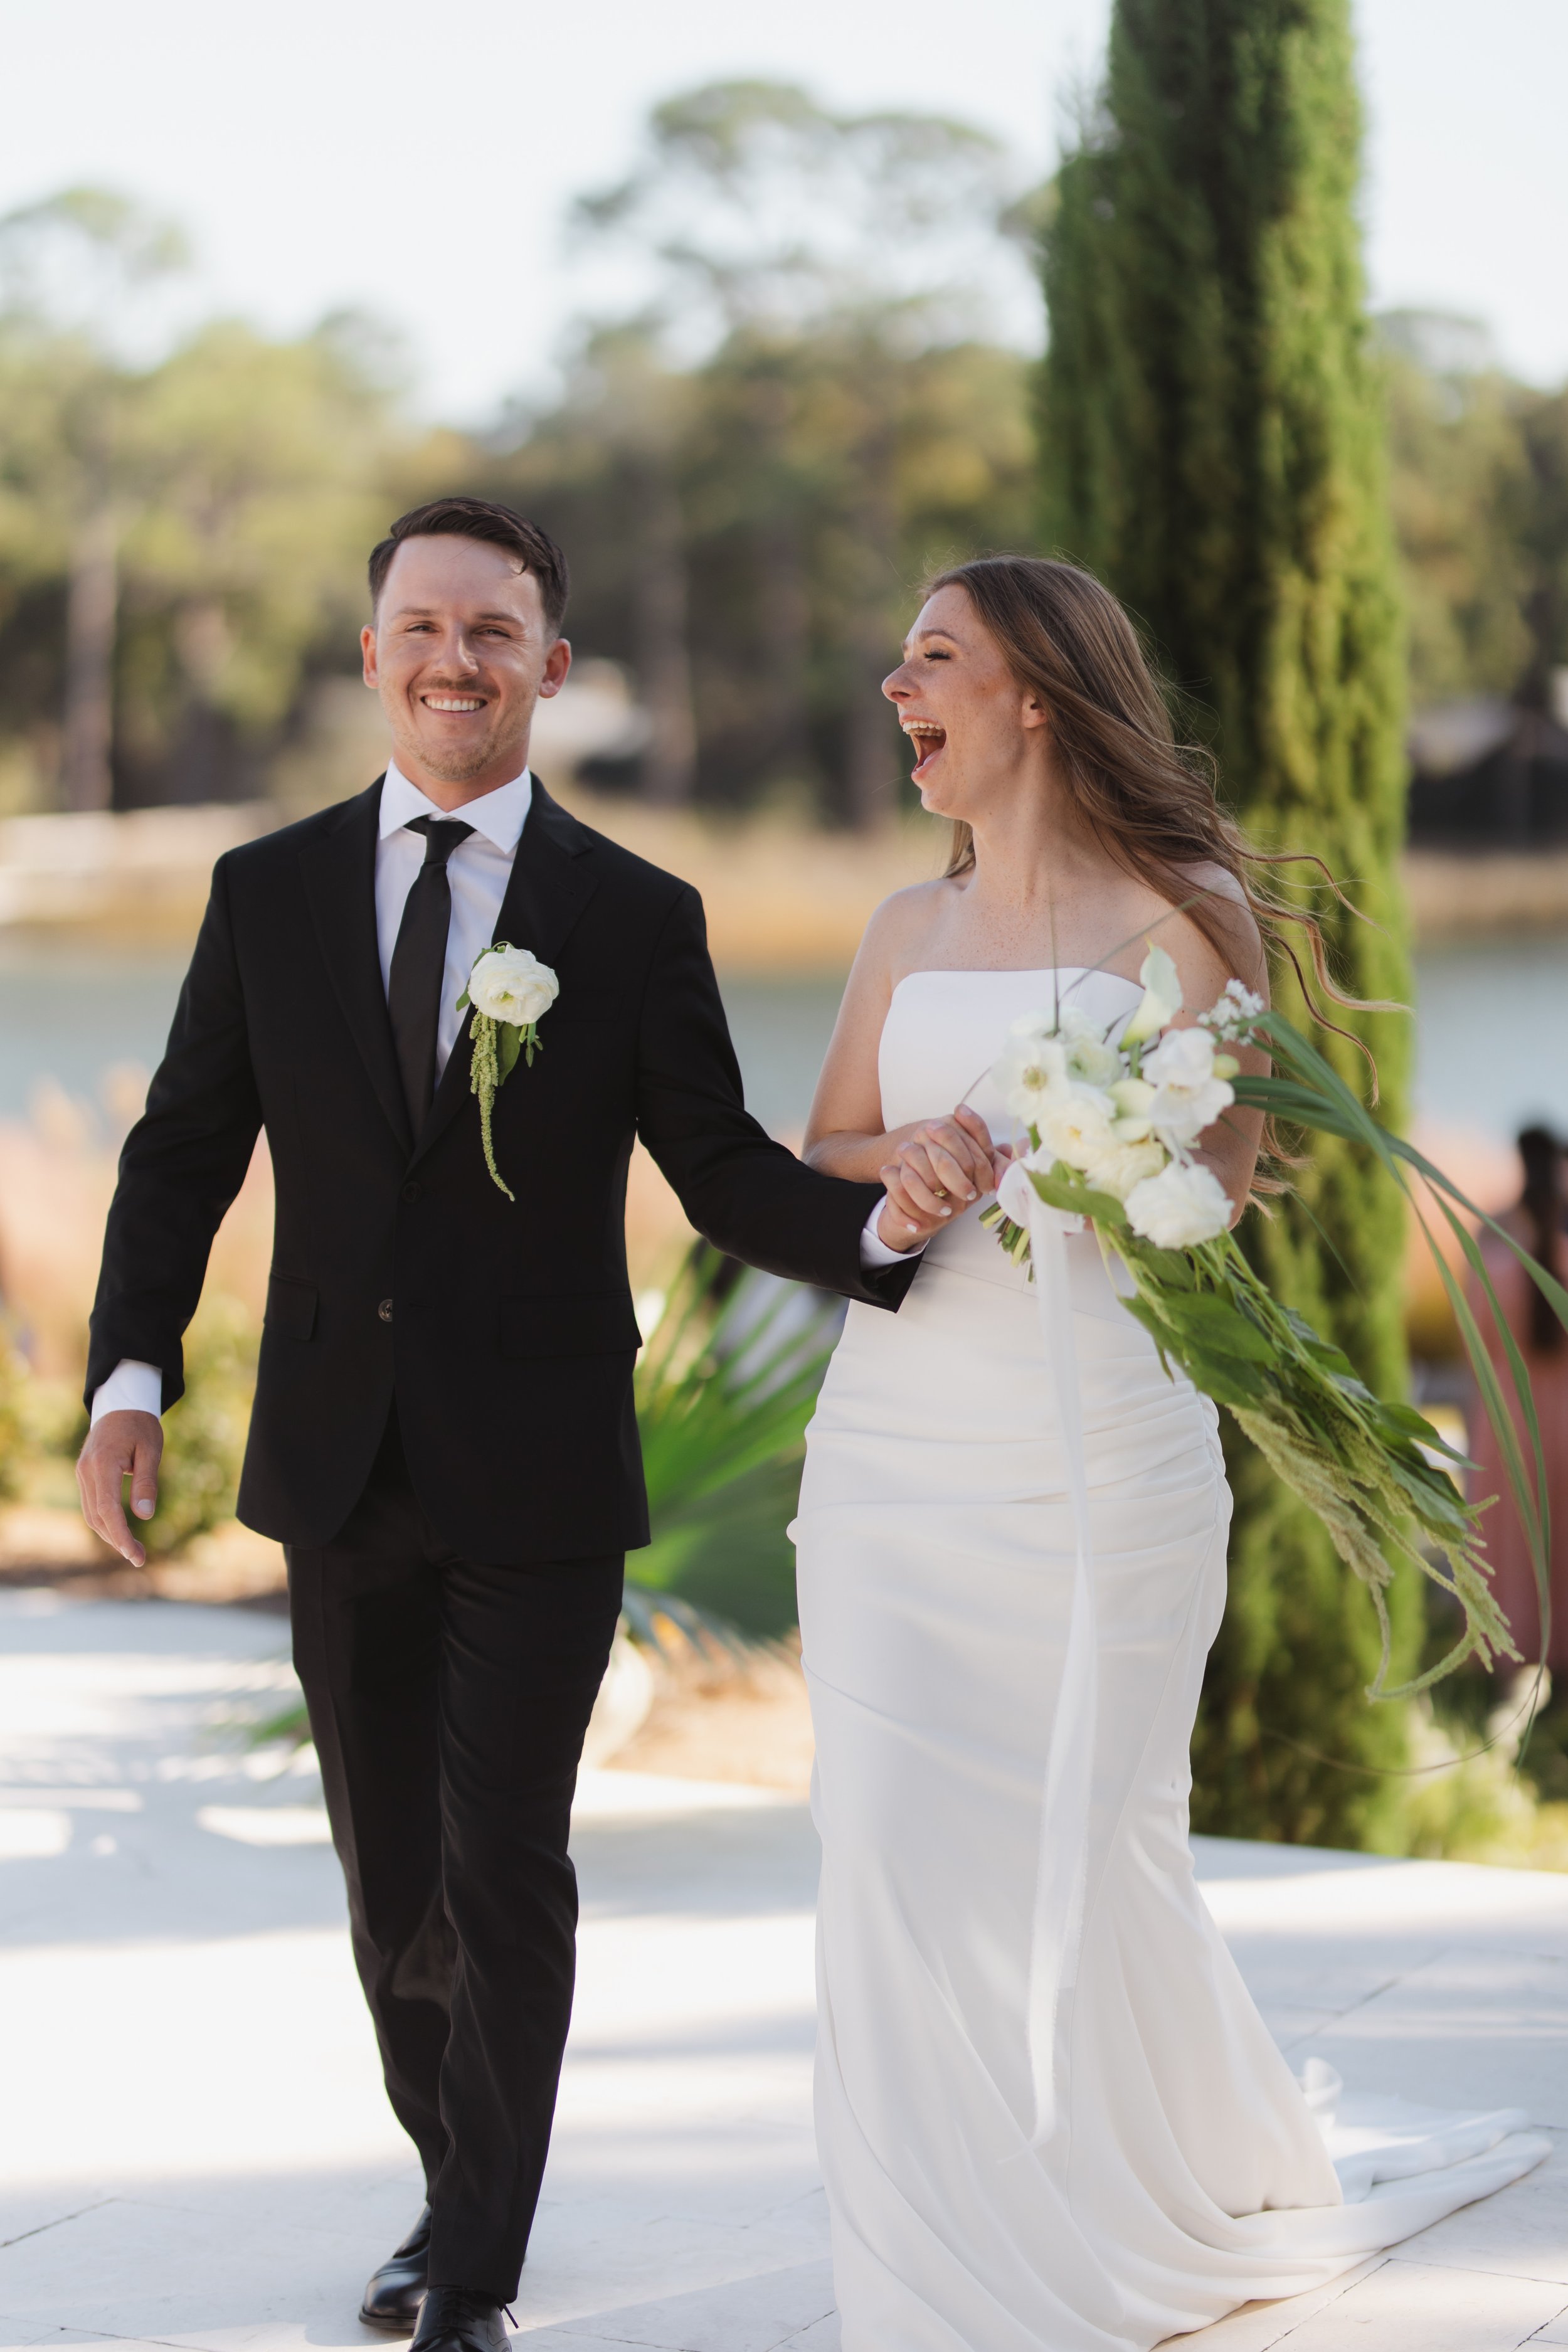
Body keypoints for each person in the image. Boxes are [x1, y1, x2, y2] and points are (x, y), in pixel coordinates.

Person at [74, 498, 936, 2352]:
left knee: (502, 1860)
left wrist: (879, 1230)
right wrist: (127, 1377)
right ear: (371, 653)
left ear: (548, 666)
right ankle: (443, 2164)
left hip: (539, 1469)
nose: (453, 658)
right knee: (391, 1878)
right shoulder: (267, 890)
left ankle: (472, 2259)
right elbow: (178, 1158)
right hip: (332, 1456)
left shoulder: (630, 915)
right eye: (419, 624)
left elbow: (711, 1167)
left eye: (493, 630)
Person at [792, 554, 1549, 2350]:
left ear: (1034, 694)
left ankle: (1136, 2180)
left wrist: (1097, 1161)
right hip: (896, 1451)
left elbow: (1212, 1192)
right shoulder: (904, 925)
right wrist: (909, 1158)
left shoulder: (1184, 911)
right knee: (885, 1837)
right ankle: (925, 2269)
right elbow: (816, 1140)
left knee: (1096, 1833)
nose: (894, 686)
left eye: (931, 657)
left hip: (1101, 1452)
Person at [1468, 1124, 1568, 1673]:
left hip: (1508, 1411)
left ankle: (1508, 1648)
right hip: (1564, 1412)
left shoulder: (1493, 1237)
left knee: (1509, 1531)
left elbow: (1475, 1332)